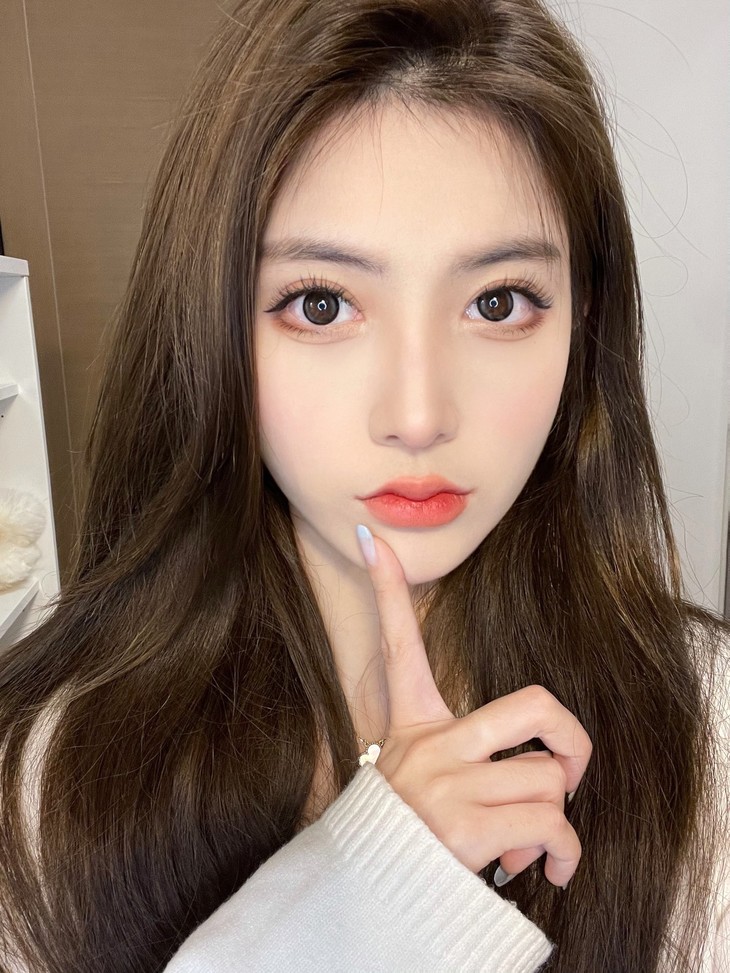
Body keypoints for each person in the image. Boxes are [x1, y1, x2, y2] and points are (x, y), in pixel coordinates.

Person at [0, 0, 728, 970]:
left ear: (581, 322)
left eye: (497, 301)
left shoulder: (706, 728)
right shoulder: (42, 770)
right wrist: (375, 893)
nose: (418, 415)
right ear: (213, 326)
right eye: (321, 303)